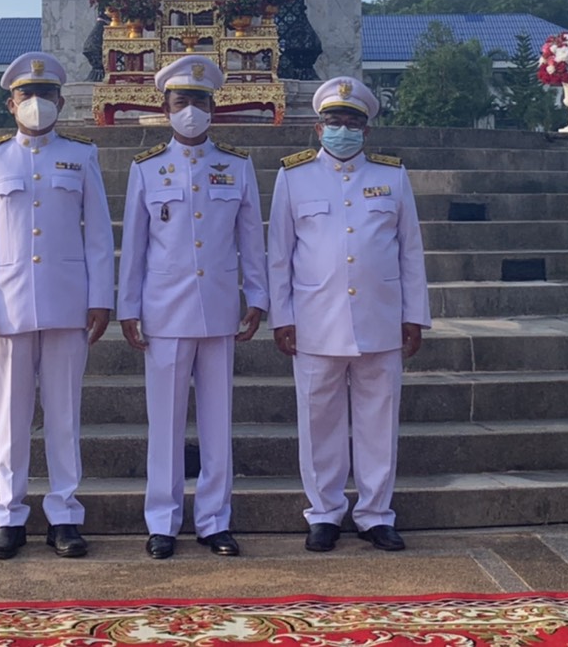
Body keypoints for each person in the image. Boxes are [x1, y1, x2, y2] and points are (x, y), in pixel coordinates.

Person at [0, 51, 115, 560]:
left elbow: (98, 235)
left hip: (69, 301)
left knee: (65, 412)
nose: (37, 103)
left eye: (46, 95)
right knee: (11, 411)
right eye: (28, 95)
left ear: (62, 102)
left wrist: (101, 298)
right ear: (11, 103)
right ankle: (10, 512)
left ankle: (65, 513)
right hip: (7, 304)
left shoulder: (81, 156)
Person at [266, 76, 430, 553]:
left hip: (381, 316)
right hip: (316, 317)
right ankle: (324, 512)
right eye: (334, 121)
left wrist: (414, 316)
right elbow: (280, 253)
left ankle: (376, 512)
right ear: (318, 129)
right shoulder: (293, 176)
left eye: (352, 122)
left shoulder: (392, 176)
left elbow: (410, 252)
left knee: (379, 418)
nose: (342, 129)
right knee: (319, 421)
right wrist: (283, 316)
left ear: (367, 130)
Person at [117, 56, 269, 559]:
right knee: (164, 422)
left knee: (217, 420)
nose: (191, 111)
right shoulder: (146, 168)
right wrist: (128, 307)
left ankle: (213, 520)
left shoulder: (237, 165)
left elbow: (252, 239)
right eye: (182, 102)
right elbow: (135, 247)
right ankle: (162, 520)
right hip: (164, 310)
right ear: (165, 108)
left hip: (221, 307)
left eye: (200, 102)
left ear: (214, 107)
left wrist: (258, 297)